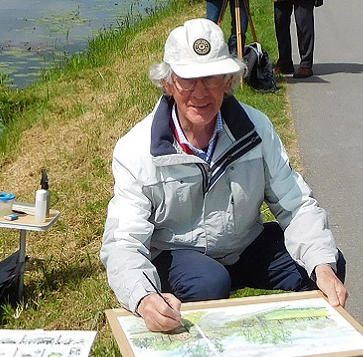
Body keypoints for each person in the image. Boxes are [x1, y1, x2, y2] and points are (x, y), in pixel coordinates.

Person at [100, 18, 348, 332]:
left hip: (244, 245)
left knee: (326, 262)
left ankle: (306, 344)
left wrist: (322, 267)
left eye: (211, 78)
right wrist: (144, 298)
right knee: (209, 281)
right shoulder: (135, 150)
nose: (200, 92)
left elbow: (295, 204)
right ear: (168, 83)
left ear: (228, 81)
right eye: (187, 80)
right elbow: (122, 242)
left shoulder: (257, 129)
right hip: (180, 254)